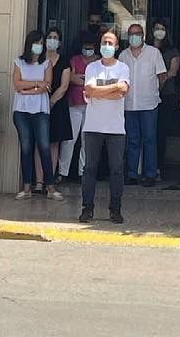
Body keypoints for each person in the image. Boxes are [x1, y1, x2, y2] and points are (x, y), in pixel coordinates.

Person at [79, 28, 130, 224]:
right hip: (93, 126)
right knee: (89, 168)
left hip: (116, 128)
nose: (106, 46)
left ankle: (115, 209)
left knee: (116, 169)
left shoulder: (123, 68)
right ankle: (87, 207)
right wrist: (113, 89)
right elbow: (89, 90)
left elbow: (123, 90)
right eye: (104, 42)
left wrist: (100, 92)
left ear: (117, 47)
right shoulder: (92, 67)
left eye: (110, 43)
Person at [11, 30, 61, 200]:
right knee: (26, 147)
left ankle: (50, 187)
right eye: (37, 42)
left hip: (40, 110)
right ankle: (26, 188)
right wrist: (35, 85)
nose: (39, 46)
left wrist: (28, 89)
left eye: (41, 43)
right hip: (21, 110)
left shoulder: (46, 63)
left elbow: (47, 86)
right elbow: (17, 84)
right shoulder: (19, 62)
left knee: (44, 147)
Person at [120, 20, 166, 187]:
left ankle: (150, 174)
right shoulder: (123, 55)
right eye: (131, 34)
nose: (134, 37)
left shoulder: (154, 53)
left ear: (143, 36)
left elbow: (162, 76)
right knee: (132, 140)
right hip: (129, 104)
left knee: (149, 139)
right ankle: (132, 174)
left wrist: (154, 91)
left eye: (137, 34)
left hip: (149, 103)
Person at [58, 35, 93, 185]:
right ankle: (62, 172)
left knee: (87, 141)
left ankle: (82, 172)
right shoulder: (74, 60)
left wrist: (80, 79)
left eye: (91, 47)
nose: (88, 50)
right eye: (86, 46)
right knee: (69, 140)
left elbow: (97, 81)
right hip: (74, 104)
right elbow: (70, 78)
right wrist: (86, 80)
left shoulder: (98, 61)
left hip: (92, 106)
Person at [43, 26, 73, 194]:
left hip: (57, 105)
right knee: (41, 143)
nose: (52, 40)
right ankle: (39, 180)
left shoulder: (64, 61)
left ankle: (51, 176)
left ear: (59, 42)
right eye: (50, 37)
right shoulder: (39, 60)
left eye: (55, 37)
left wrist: (51, 102)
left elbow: (64, 86)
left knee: (54, 143)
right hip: (38, 104)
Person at [151, 19, 180, 177]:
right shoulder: (147, 48)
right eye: (157, 28)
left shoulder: (172, 51)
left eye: (162, 28)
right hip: (147, 95)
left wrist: (159, 80)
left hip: (167, 94)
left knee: (160, 130)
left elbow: (173, 71)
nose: (159, 31)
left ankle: (158, 166)